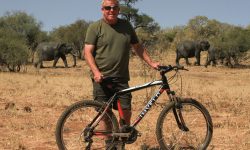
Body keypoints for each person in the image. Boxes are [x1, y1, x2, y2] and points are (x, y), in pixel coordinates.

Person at [83, 0, 159, 148]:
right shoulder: (95, 28)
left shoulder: (126, 26)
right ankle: (110, 145)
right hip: (102, 78)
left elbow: (137, 47)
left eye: (114, 7)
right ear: (102, 9)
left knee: (125, 111)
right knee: (105, 114)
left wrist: (152, 63)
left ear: (119, 9)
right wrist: (96, 72)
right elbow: (87, 52)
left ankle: (121, 142)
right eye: (107, 8)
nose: (111, 10)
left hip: (121, 78)